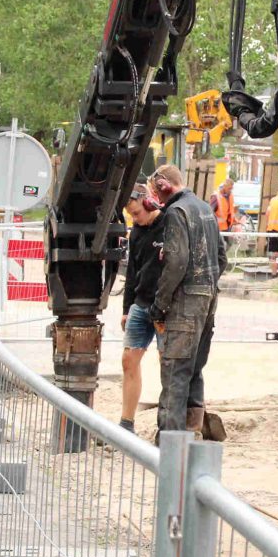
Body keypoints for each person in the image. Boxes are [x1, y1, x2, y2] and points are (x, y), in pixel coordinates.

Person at [148, 165, 227, 434]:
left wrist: (160, 304)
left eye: (155, 194)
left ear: (164, 185)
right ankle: (193, 437)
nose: (156, 202)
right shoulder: (205, 208)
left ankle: (170, 444)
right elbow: (221, 257)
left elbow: (177, 262)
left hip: (185, 304)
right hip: (208, 301)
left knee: (175, 372)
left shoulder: (176, 212)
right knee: (194, 369)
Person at [119, 185, 164, 432]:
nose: (135, 220)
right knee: (128, 360)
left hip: (164, 307)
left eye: (137, 213)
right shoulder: (136, 232)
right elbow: (132, 273)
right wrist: (127, 308)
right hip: (141, 305)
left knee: (166, 363)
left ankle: (167, 422)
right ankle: (126, 422)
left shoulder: (170, 225)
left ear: (149, 203)